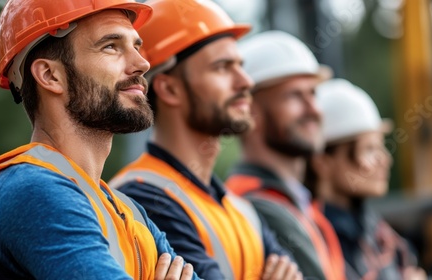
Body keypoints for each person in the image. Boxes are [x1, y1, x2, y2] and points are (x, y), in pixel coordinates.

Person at [0, 0, 199, 279]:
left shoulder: (129, 210)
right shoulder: (30, 188)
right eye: (111, 46)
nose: (142, 63)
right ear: (51, 75)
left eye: (135, 45)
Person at [109, 0, 302, 279]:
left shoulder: (240, 208)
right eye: (222, 67)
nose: (246, 81)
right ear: (170, 89)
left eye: (240, 65)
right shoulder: (143, 199)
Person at [226, 30, 346, 280]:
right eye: (294, 96)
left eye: (313, 93)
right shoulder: (256, 206)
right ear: (249, 111)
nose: (313, 109)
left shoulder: (298, 204)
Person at [304, 78, 427, 280]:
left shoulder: (376, 230)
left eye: (381, 146)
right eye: (369, 149)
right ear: (322, 163)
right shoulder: (314, 237)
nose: (385, 160)